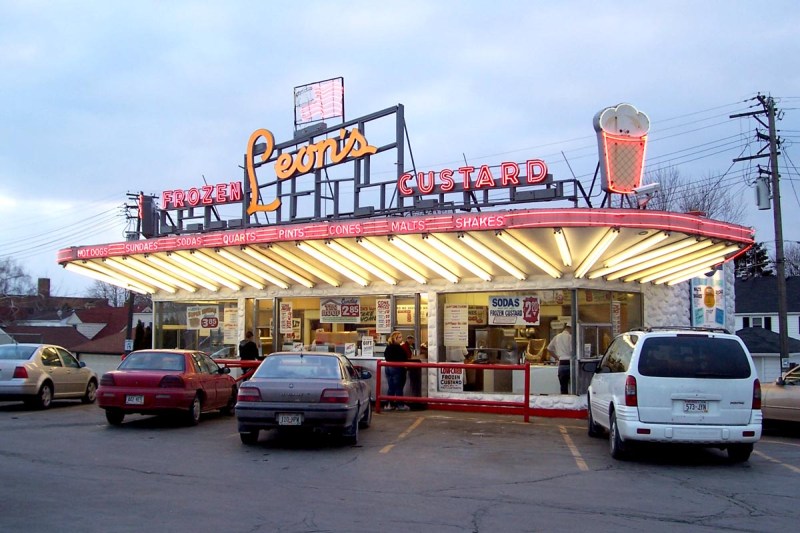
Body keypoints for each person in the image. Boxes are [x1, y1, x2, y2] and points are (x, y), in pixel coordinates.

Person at [383, 331, 410, 411]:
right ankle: (400, 405)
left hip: (388, 368)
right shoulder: (398, 348)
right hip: (397, 368)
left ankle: (389, 404)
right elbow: (404, 357)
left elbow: (386, 357)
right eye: (400, 337)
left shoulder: (388, 347)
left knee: (391, 387)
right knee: (399, 387)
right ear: (395, 338)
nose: (402, 339)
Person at [548, 325, 572, 394]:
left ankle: (564, 398)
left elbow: (549, 349)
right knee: (573, 387)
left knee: (563, 387)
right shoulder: (571, 337)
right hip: (570, 363)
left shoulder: (557, 337)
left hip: (562, 363)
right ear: (570, 329)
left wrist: (557, 358)